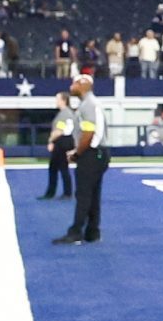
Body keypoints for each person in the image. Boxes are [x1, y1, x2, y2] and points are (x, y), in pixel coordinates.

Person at [54, 77, 111, 244]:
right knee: (93, 194)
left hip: (93, 153)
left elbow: (88, 133)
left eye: (74, 83)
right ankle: (92, 231)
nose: (71, 86)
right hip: (98, 153)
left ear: (83, 85)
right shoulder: (90, 104)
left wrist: (77, 153)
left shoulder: (88, 105)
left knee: (84, 193)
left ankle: (76, 231)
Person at [42, 89, 78, 200]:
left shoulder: (64, 114)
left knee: (61, 167)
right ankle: (56, 192)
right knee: (58, 167)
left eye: (58, 99)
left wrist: (51, 140)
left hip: (62, 142)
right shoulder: (69, 113)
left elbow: (59, 130)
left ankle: (65, 193)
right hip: (66, 141)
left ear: (63, 100)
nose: (56, 101)